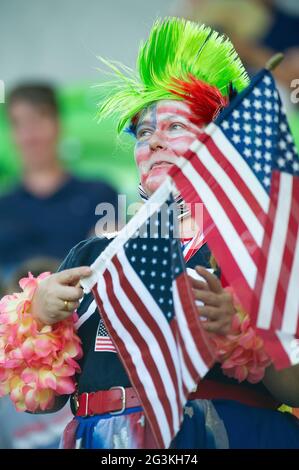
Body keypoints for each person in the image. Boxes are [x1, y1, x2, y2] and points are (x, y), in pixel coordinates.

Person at [1, 18, 299, 449]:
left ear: (221, 144)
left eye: (175, 127)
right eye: (144, 131)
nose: (155, 141)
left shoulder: (254, 247)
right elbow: (39, 402)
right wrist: (41, 316)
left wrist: (240, 328)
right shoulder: (91, 253)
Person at [0, 84, 118, 280]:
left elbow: (107, 259)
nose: (30, 135)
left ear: (58, 124)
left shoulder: (99, 194)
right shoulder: (3, 206)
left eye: (38, 121)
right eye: (20, 124)